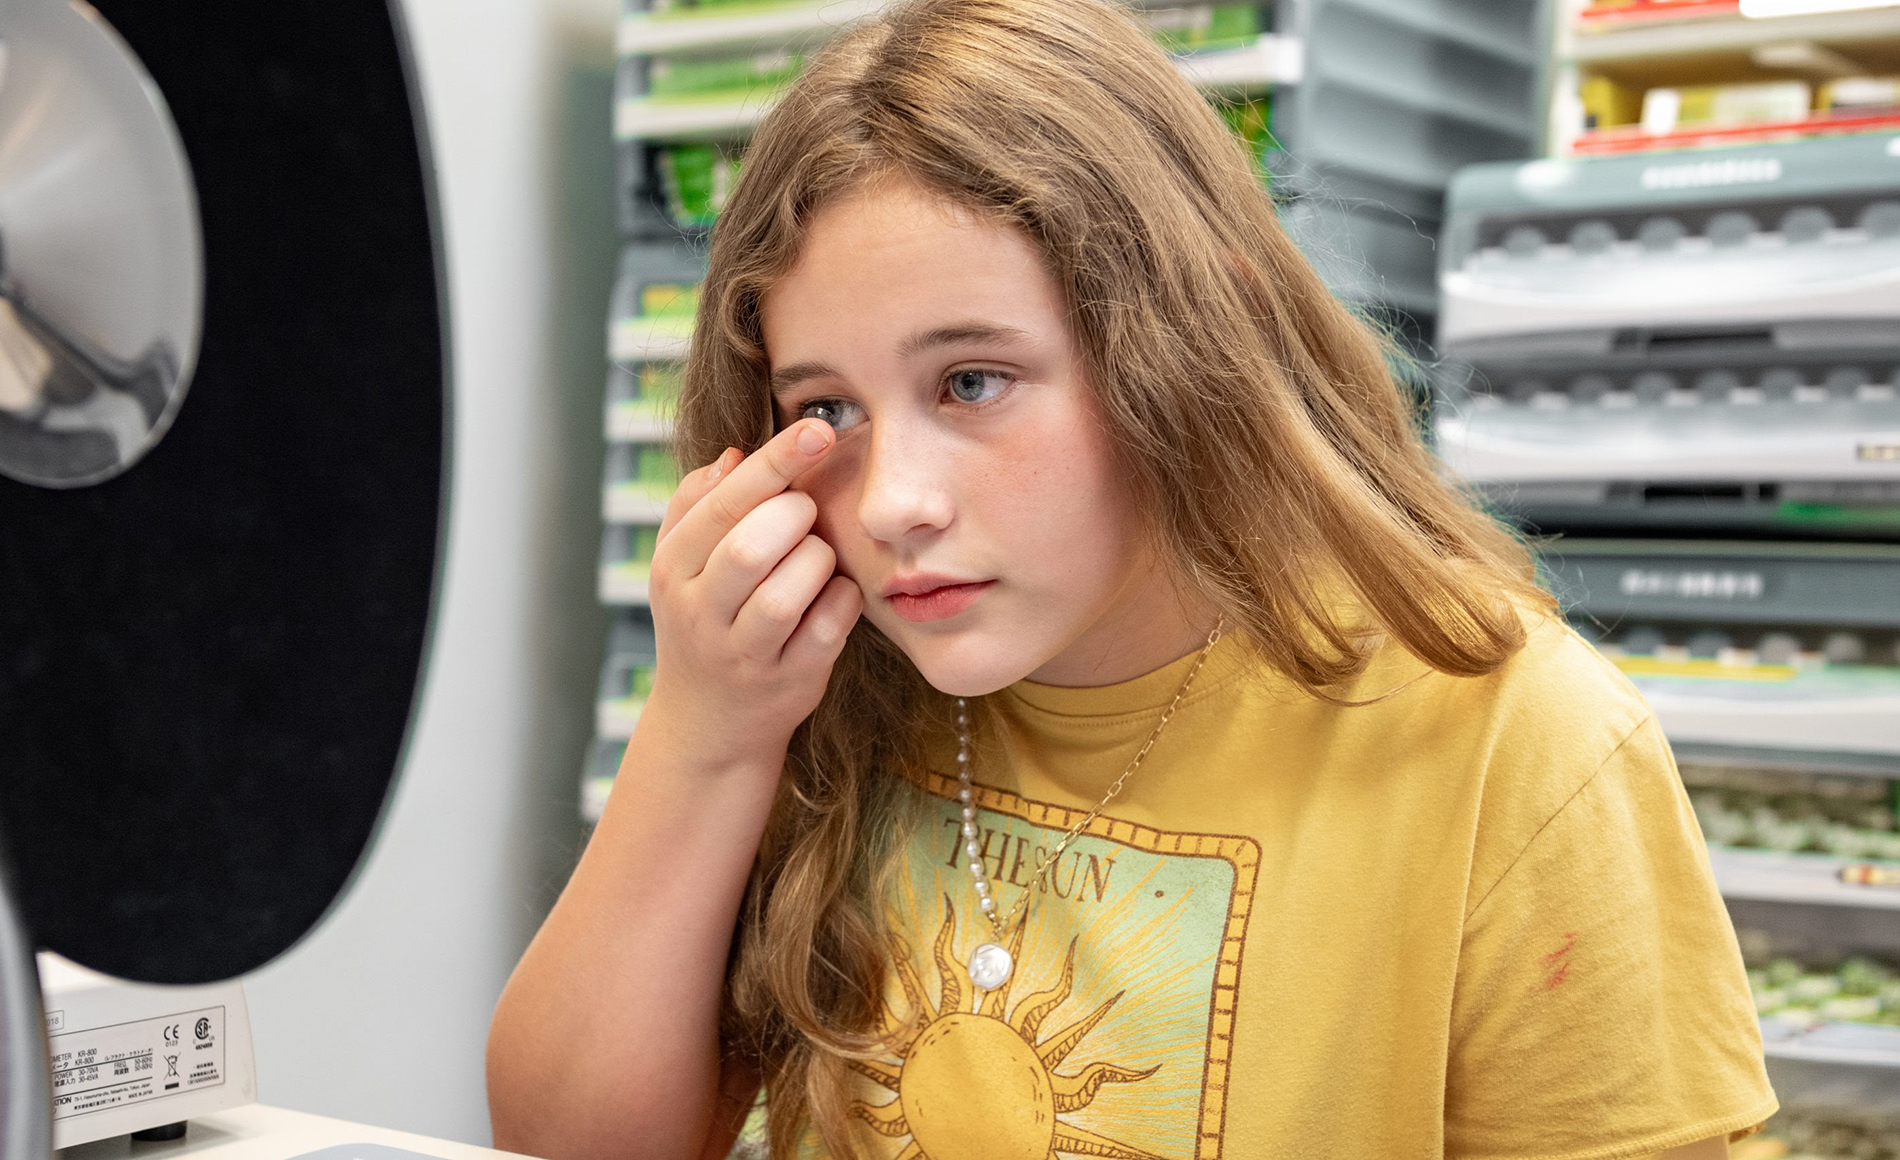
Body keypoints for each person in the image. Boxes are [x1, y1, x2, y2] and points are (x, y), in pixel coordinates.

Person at [485, 0, 1777, 1156]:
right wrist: (702, 733)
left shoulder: (1516, 738)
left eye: (972, 382)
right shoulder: (819, 687)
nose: (891, 506)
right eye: (828, 407)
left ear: (1186, 340)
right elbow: (567, 1137)